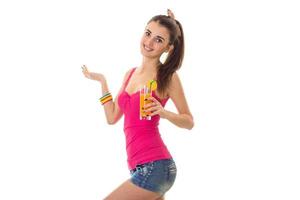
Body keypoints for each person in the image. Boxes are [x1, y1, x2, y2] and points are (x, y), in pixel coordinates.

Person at [82, 9, 194, 200]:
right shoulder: (130, 74)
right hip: (139, 168)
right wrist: (103, 82)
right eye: (148, 33)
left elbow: (189, 121)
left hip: (156, 166)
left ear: (168, 48)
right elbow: (112, 117)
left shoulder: (167, 77)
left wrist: (163, 112)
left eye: (159, 40)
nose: (149, 42)